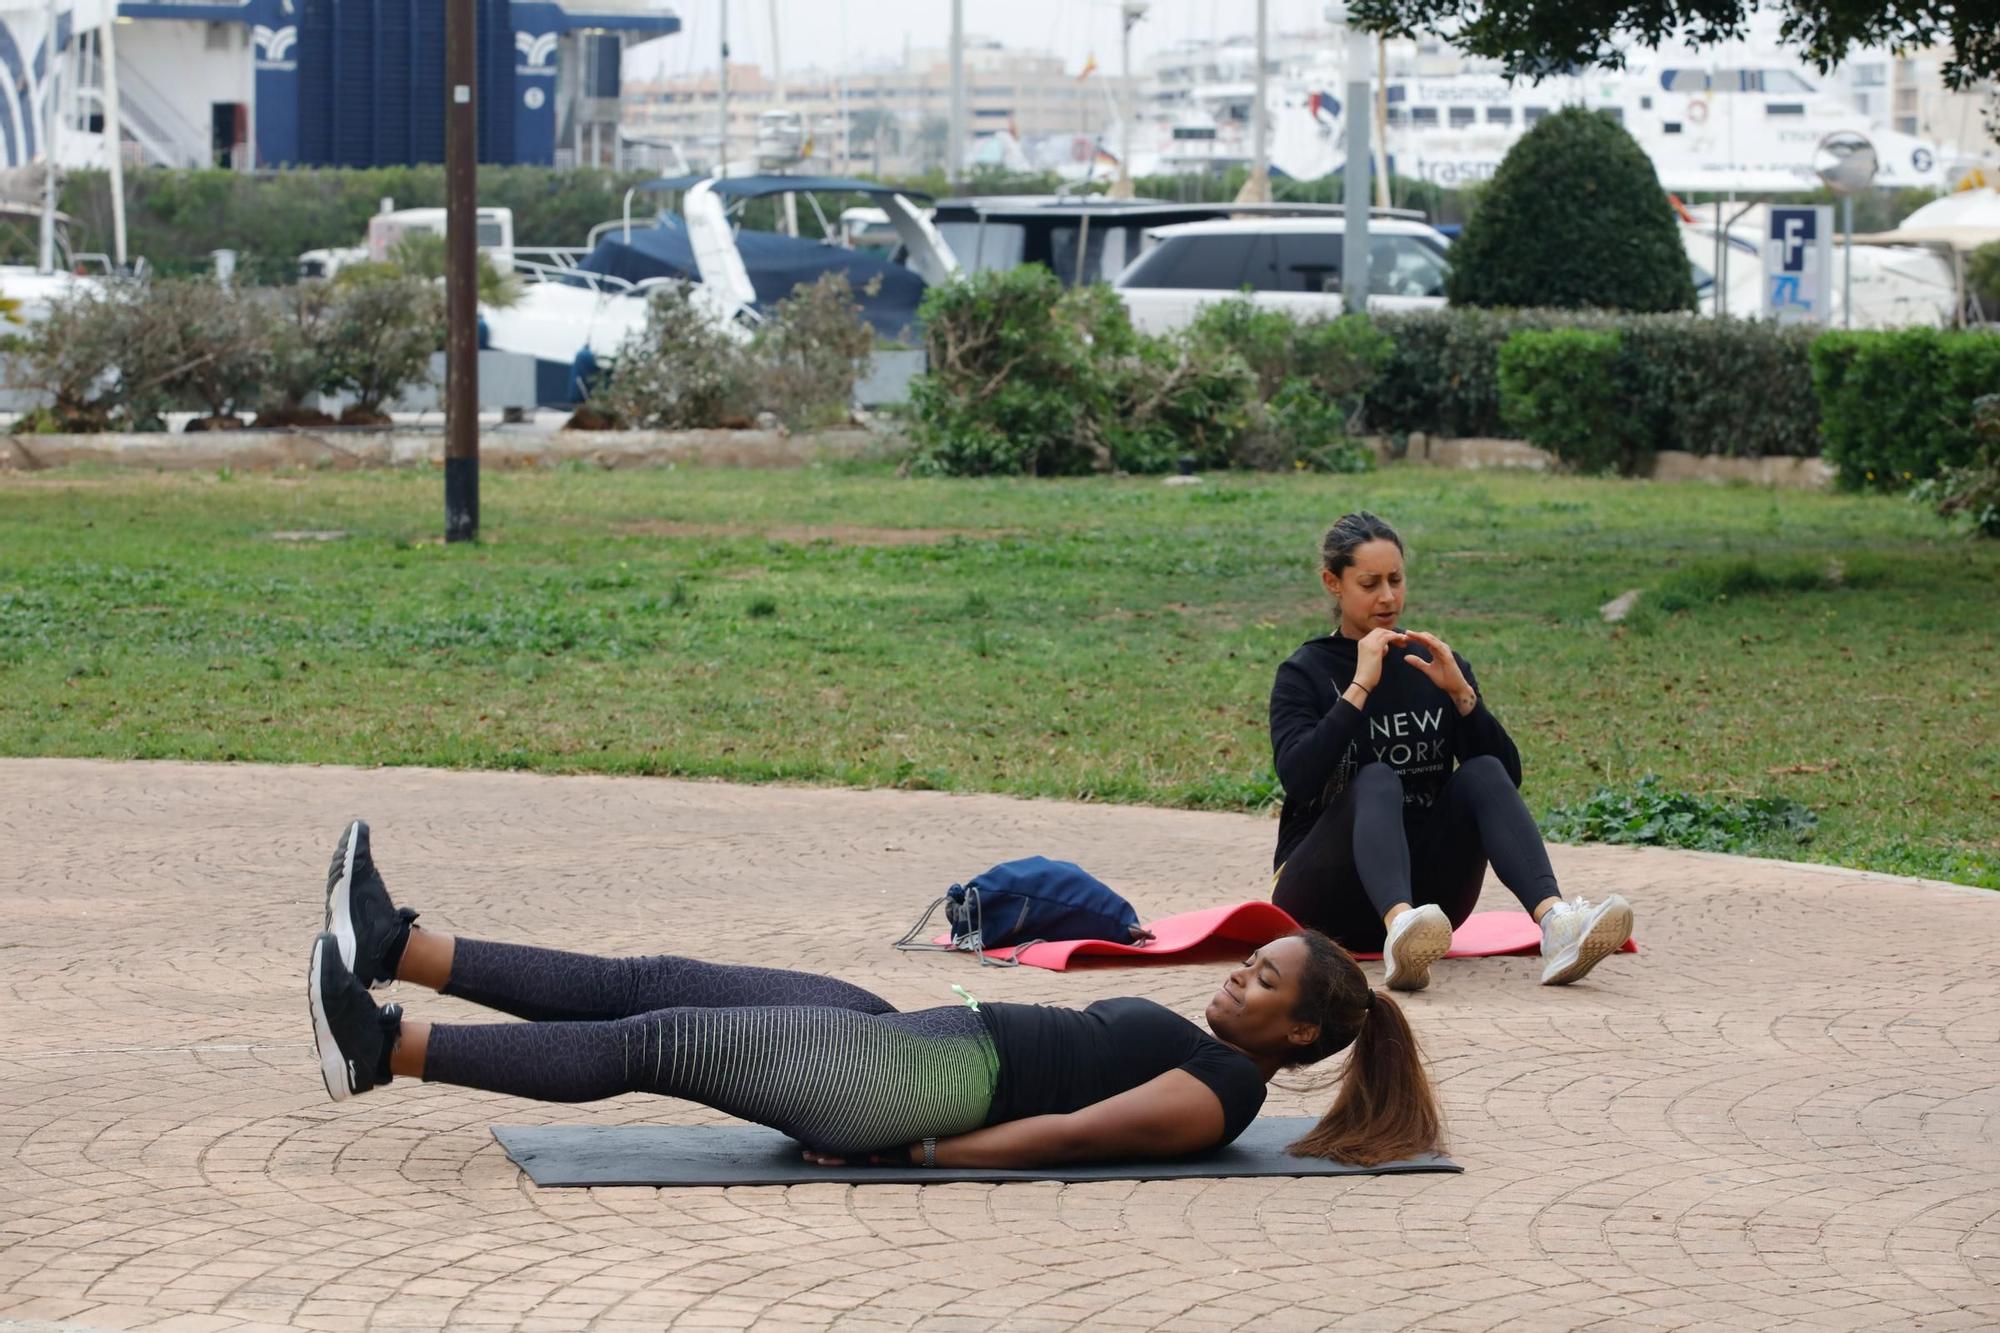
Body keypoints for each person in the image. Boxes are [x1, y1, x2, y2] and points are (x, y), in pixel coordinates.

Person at [310, 821, 1443, 1169]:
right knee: (649, 980)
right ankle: (396, 943)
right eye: (1251, 959)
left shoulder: (1217, 1095)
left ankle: (384, 1047)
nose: (1237, 973)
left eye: (1261, 979)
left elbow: (1073, 1136)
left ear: (1295, 1032)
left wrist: (918, 1158)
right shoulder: (1216, 1057)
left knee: (652, 1039)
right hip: (916, 1044)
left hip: (918, 1086)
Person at [1268, 511, 1633, 993]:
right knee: (1378, 779)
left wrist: (1463, 697)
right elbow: (1299, 780)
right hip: (1323, 894)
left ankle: (1557, 924)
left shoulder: (1432, 664)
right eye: (1370, 583)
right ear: (1333, 582)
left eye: (1396, 580)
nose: (1388, 597)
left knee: (1482, 770)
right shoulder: (1304, 671)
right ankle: (1398, 927)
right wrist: (1359, 688)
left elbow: (1505, 782)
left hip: (1434, 905)